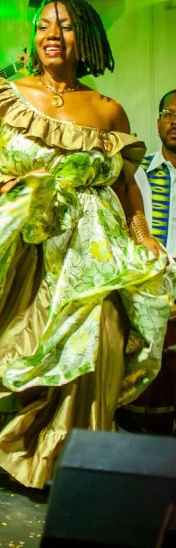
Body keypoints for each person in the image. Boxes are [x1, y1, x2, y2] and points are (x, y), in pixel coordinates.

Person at [0, 0, 172, 489]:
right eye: (42, 26)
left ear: (88, 38)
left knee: (98, 343)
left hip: (97, 250)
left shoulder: (108, 111)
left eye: (65, 26)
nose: (51, 35)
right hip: (28, 248)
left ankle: (79, 466)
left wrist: (143, 236)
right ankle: (33, 450)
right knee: (29, 353)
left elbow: (125, 187)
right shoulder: (5, 98)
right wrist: (12, 189)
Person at [117, 88, 176, 435]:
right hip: (151, 280)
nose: (175, 122)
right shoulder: (138, 174)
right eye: (169, 114)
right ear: (158, 122)